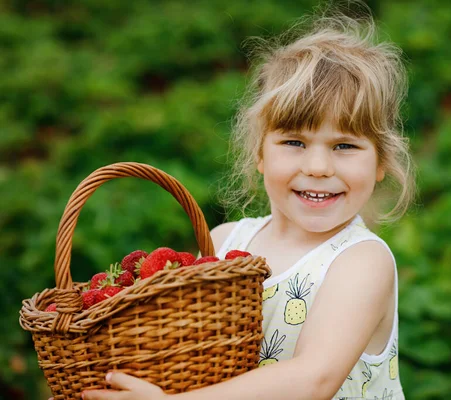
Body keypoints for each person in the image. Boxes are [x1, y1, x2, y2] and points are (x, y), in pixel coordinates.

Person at [74, 3, 415, 400]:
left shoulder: (361, 261)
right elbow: (178, 353)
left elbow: (313, 379)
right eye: (294, 142)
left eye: (344, 145)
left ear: (381, 163)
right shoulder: (223, 242)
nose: (319, 166)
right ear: (259, 153)